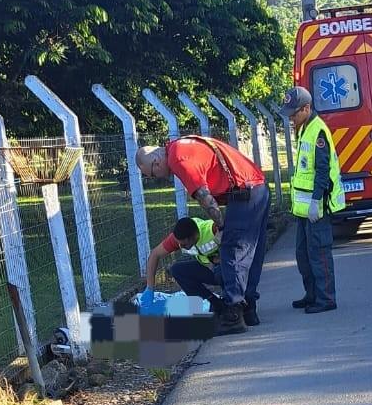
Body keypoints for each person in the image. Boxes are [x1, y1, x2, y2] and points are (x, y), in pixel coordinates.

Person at [136, 135, 269, 335]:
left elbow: (204, 197)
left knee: (232, 252)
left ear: (155, 161)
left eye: (153, 175)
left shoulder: (178, 158)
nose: (159, 177)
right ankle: (248, 309)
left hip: (244, 192)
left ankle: (233, 315)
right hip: (255, 188)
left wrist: (222, 227)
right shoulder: (183, 146)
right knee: (251, 253)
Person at [281, 86, 346, 314]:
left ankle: (326, 298)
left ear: (306, 108)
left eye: (293, 113)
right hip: (303, 208)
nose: (290, 118)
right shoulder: (304, 127)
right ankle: (312, 294)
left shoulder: (317, 131)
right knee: (303, 254)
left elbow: (321, 171)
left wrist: (315, 201)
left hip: (317, 206)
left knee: (319, 253)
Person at [142, 217, 239, 318]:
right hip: (210, 268)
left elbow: (238, 243)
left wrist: (220, 258)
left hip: (231, 269)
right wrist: (150, 288)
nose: (181, 246)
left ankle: (234, 305)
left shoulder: (212, 229)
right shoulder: (179, 239)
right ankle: (215, 304)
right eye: (179, 243)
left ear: (193, 236)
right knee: (177, 270)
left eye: (184, 244)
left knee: (221, 272)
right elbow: (155, 254)